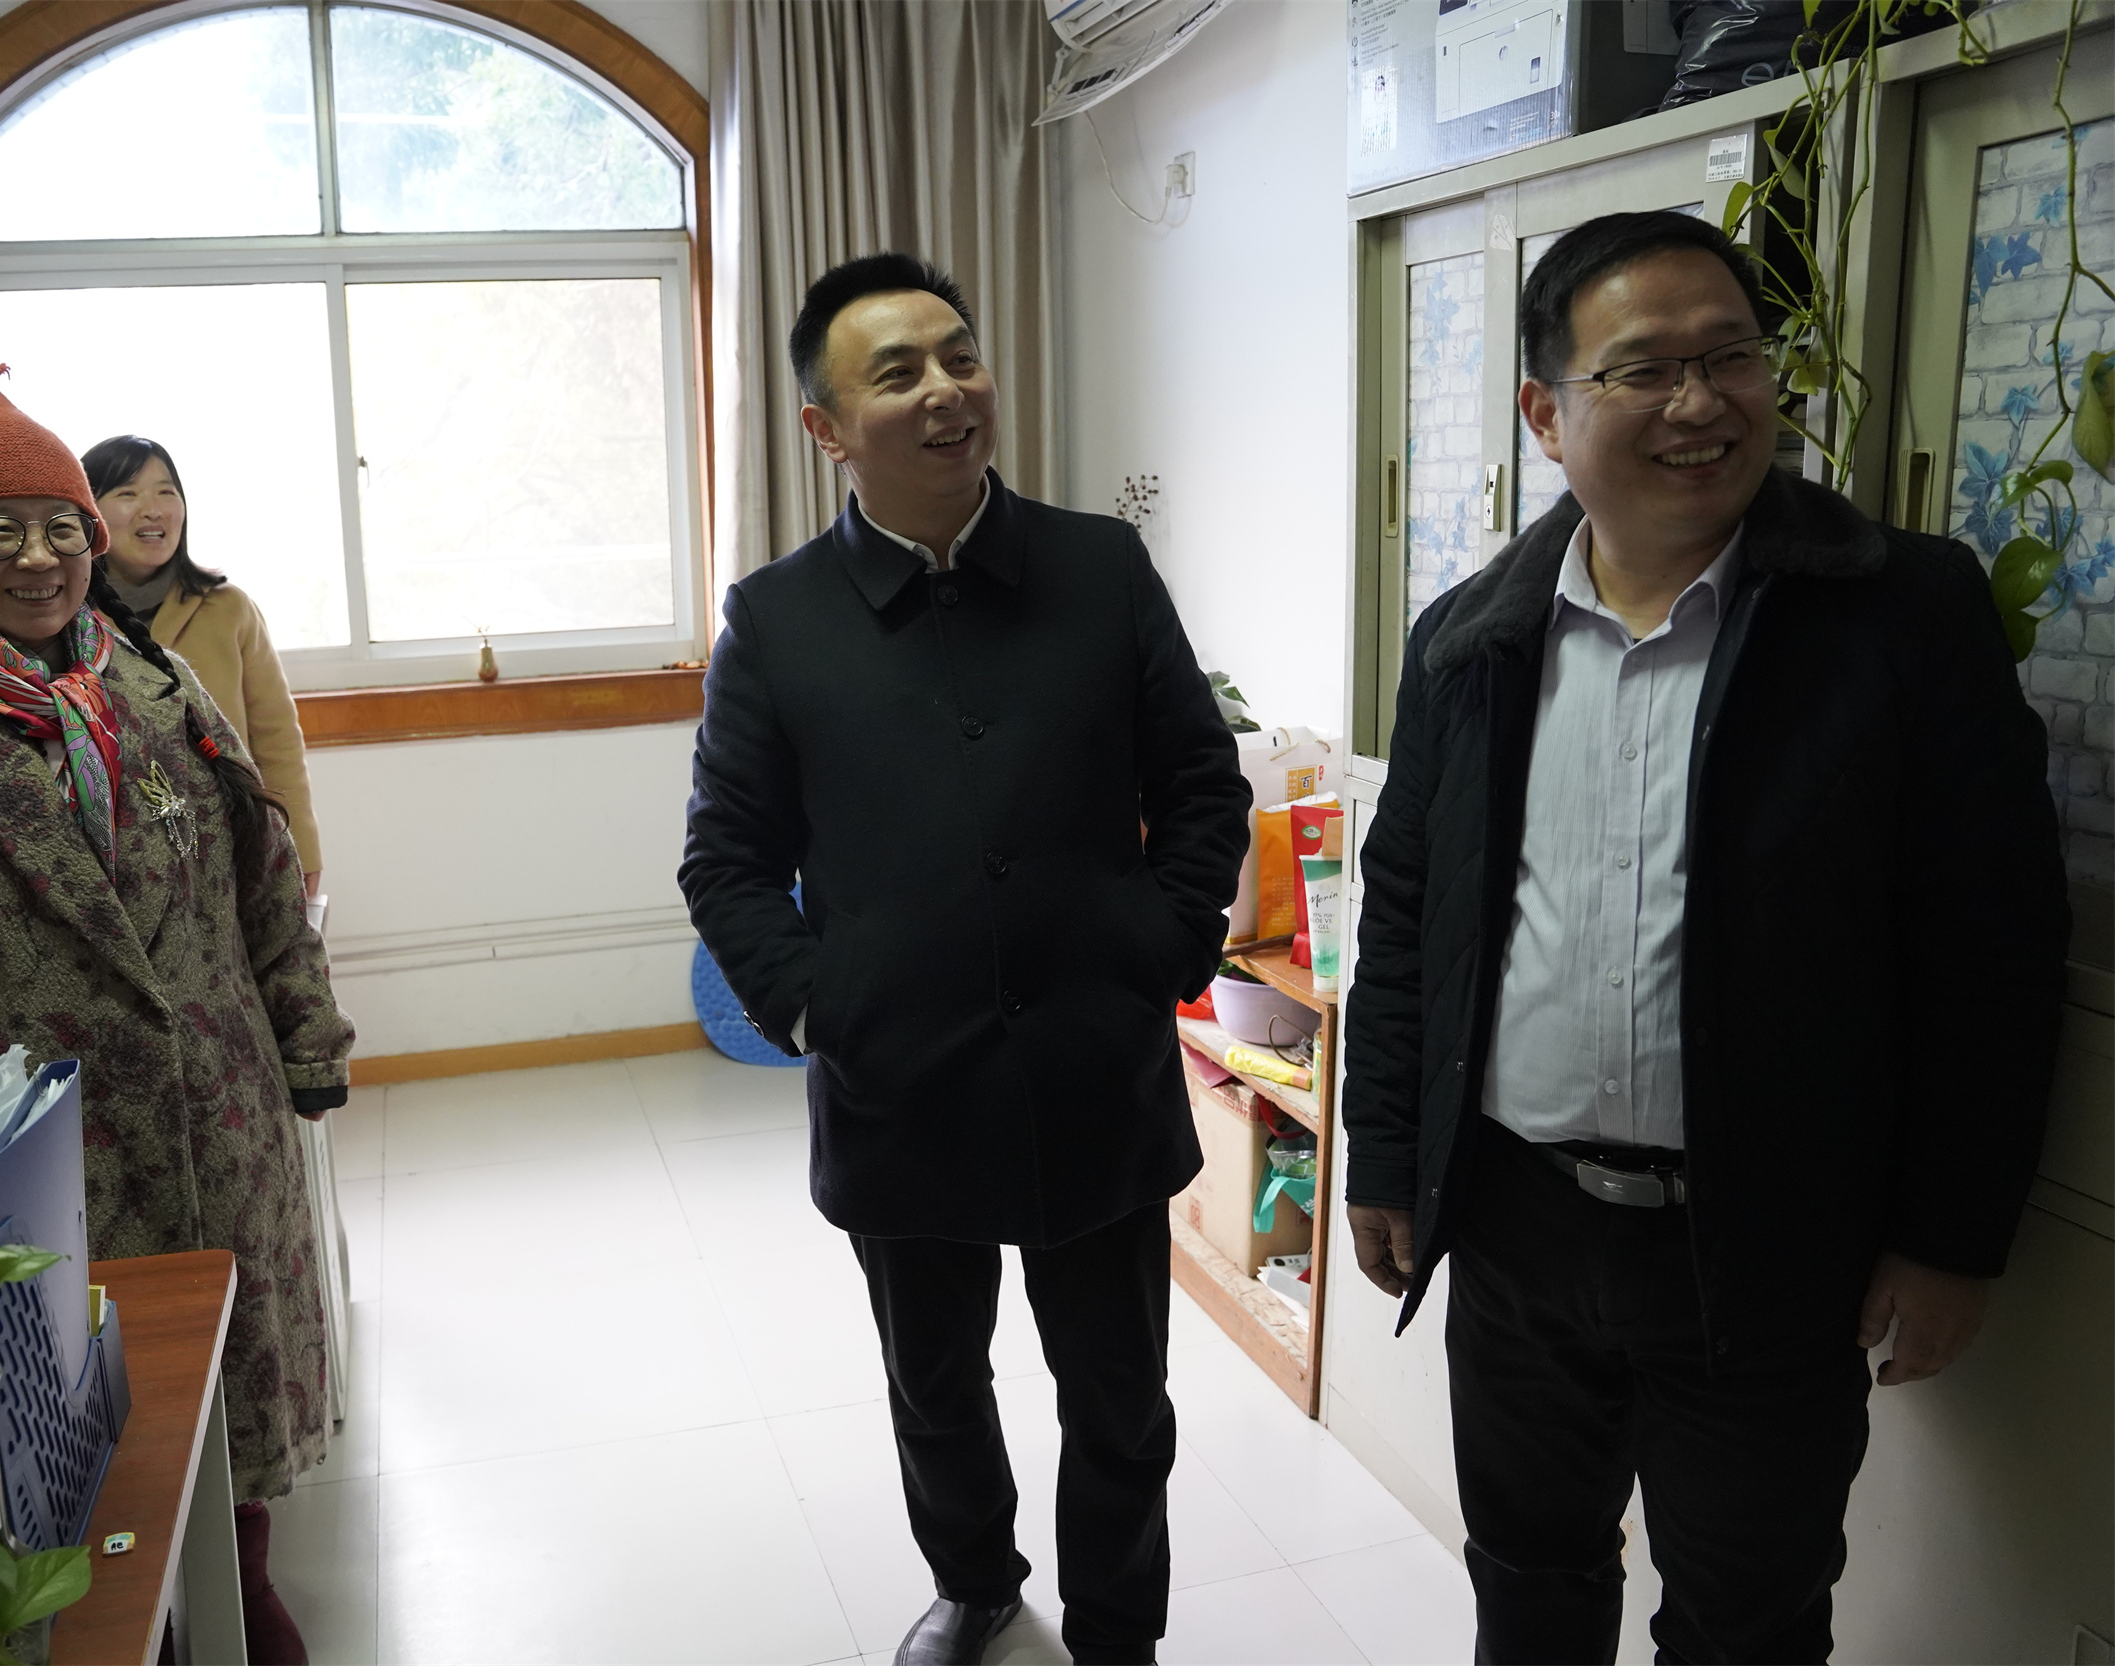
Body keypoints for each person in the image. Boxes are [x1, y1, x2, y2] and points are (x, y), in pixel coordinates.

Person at [1340, 210, 2069, 1663]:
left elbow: (1989, 945)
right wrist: (1383, 1150)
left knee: (1748, 1620)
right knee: (1528, 1578)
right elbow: (1410, 907)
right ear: (1546, 412)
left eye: (1731, 357)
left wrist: (1949, 1237)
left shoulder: (1897, 614)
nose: (1700, 402)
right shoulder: (1472, 637)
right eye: (1644, 369)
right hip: (1519, 1220)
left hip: (1767, 1238)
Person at [680, 253, 1250, 1666]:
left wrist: (1165, 941)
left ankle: (1117, 1627)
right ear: (825, 427)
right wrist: (818, 1005)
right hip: (901, 1077)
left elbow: (1199, 778)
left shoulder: (1098, 568)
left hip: (1094, 1063)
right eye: (899, 373)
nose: (946, 391)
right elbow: (726, 858)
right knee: (934, 1379)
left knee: (1119, 1393)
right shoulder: (778, 617)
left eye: (960, 357)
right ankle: (977, 1579)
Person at [0, 372, 352, 1666]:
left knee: (233, 1367)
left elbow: (264, 879)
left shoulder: (159, 689)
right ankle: (131, 1610)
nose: (40, 556)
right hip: (38, 1149)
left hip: (218, 1109)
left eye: (61, 527)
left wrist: (307, 1035)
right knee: (75, 1407)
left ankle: (242, 1576)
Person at [81, 435, 325, 896]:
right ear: (88, 512)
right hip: (117, 865)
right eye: (128, 493)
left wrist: (301, 850)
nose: (153, 509)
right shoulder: (66, 618)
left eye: (166, 491)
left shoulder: (228, 608)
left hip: (229, 852)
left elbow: (276, 742)